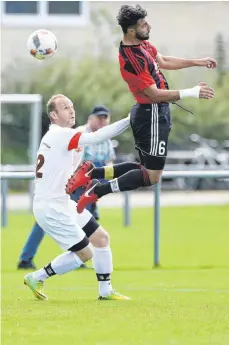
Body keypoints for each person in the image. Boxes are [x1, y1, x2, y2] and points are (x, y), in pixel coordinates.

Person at [67, 4, 216, 212]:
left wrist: (197, 62)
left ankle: (92, 173)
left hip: (153, 113)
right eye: (143, 24)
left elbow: (163, 60)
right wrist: (191, 92)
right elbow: (154, 94)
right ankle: (97, 191)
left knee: (145, 170)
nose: (148, 26)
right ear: (130, 30)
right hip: (152, 113)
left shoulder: (141, 44)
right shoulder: (132, 58)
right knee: (152, 176)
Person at [24, 94, 130, 301]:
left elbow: (71, 171)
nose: (71, 110)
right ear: (53, 115)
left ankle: (105, 291)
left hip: (62, 203)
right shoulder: (60, 134)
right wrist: (129, 120)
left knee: (101, 238)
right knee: (85, 254)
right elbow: (97, 136)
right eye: (65, 108)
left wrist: (77, 158)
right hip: (51, 206)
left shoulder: (62, 137)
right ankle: (36, 276)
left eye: (71, 106)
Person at [17, 105, 115, 269]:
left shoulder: (106, 140)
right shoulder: (76, 134)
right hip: (71, 186)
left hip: (90, 185)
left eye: (105, 118)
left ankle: (79, 257)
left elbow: (109, 161)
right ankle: (26, 258)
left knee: (87, 223)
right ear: (90, 118)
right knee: (48, 222)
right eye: (99, 117)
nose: (103, 121)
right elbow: (71, 163)